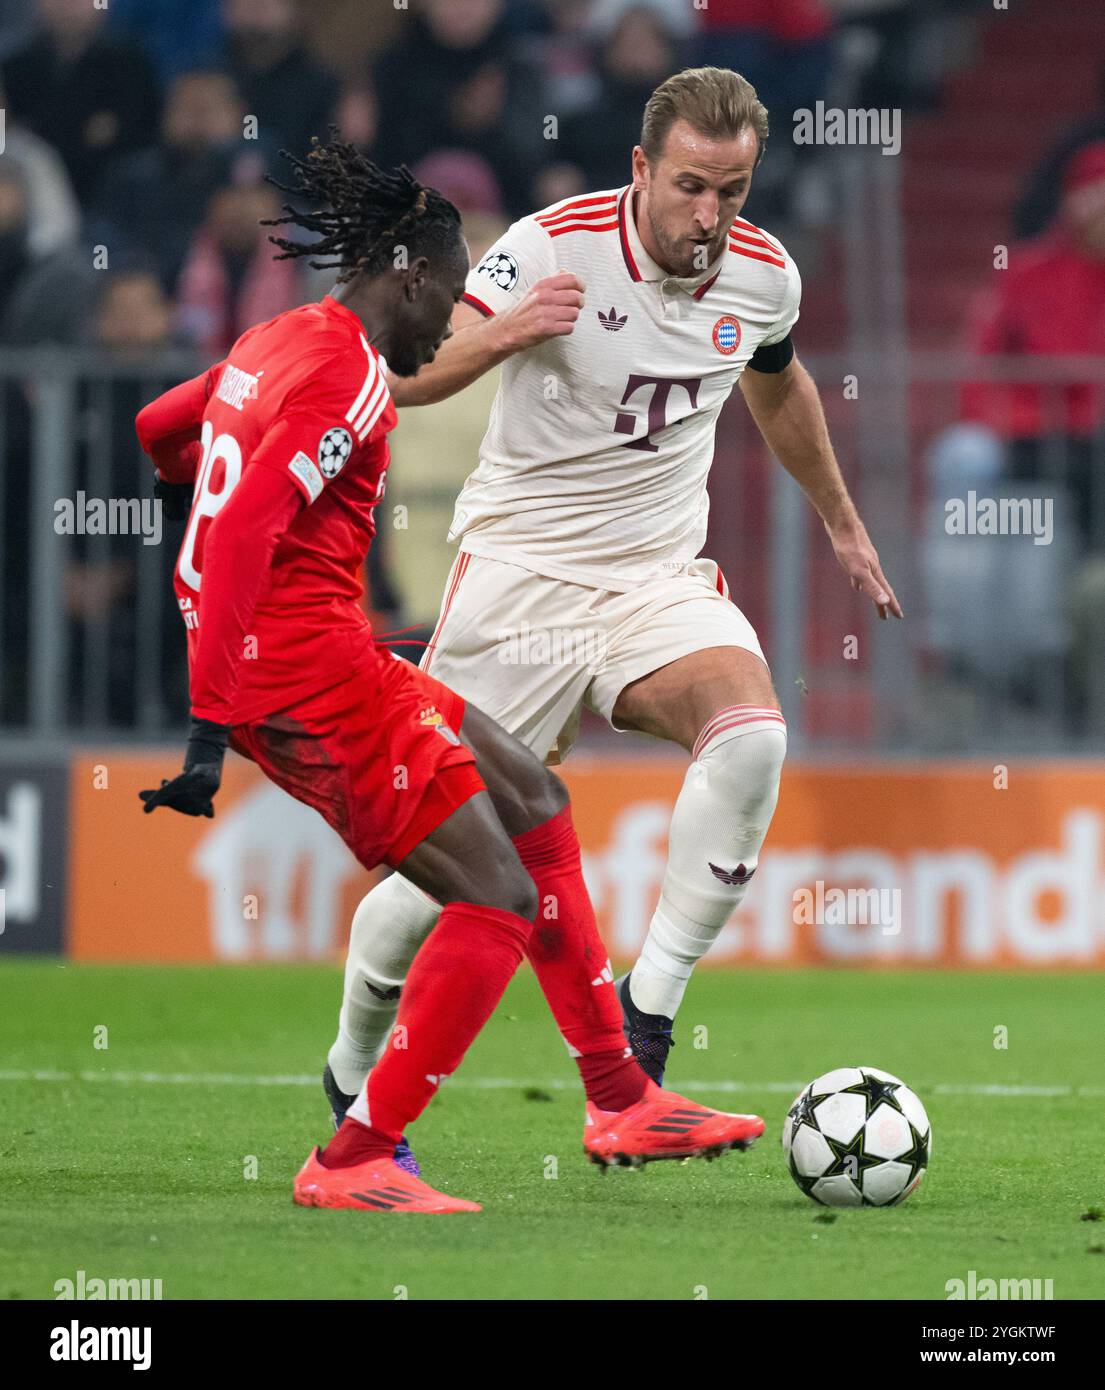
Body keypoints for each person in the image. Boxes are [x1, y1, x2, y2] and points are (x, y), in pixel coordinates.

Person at [134, 137, 765, 1215]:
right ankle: (355, 1153)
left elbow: (163, 428)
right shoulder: (351, 380)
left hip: (339, 657)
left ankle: (620, 1093)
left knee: (533, 794)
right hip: (302, 683)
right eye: (455, 292)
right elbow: (240, 530)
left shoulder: (275, 338)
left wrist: (186, 501)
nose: (458, 319)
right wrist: (208, 722)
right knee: (497, 900)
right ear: (413, 275)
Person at [327, 68, 901, 1149]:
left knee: (750, 740)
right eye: (689, 186)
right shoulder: (548, 248)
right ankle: (352, 1061)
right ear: (641, 169)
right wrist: (501, 336)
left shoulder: (760, 276)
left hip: (652, 581)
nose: (709, 216)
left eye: (731, 191)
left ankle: (646, 1021)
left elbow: (777, 381)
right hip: (517, 585)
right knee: (441, 879)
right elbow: (394, 370)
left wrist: (838, 518)